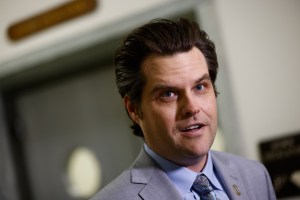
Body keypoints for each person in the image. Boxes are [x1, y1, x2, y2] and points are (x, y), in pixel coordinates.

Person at [91, 18, 276, 200]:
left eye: (200, 87)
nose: (192, 108)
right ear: (134, 110)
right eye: (168, 94)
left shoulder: (255, 176)